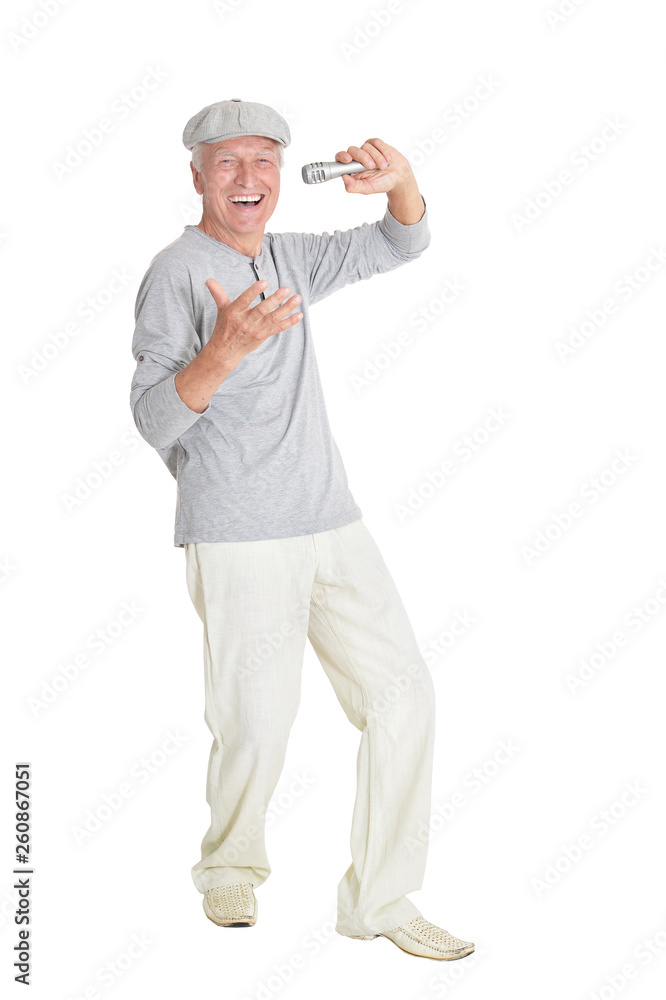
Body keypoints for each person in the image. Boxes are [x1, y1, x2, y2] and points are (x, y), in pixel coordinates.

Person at [129, 98, 474, 961]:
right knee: (257, 719)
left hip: (331, 517)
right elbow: (153, 419)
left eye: (264, 162)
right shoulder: (177, 272)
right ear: (198, 176)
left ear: (282, 173)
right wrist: (224, 350)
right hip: (239, 532)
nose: (249, 179)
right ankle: (229, 869)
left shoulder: (287, 258)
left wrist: (401, 185)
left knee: (405, 697)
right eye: (228, 163)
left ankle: (382, 900)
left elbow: (403, 242)